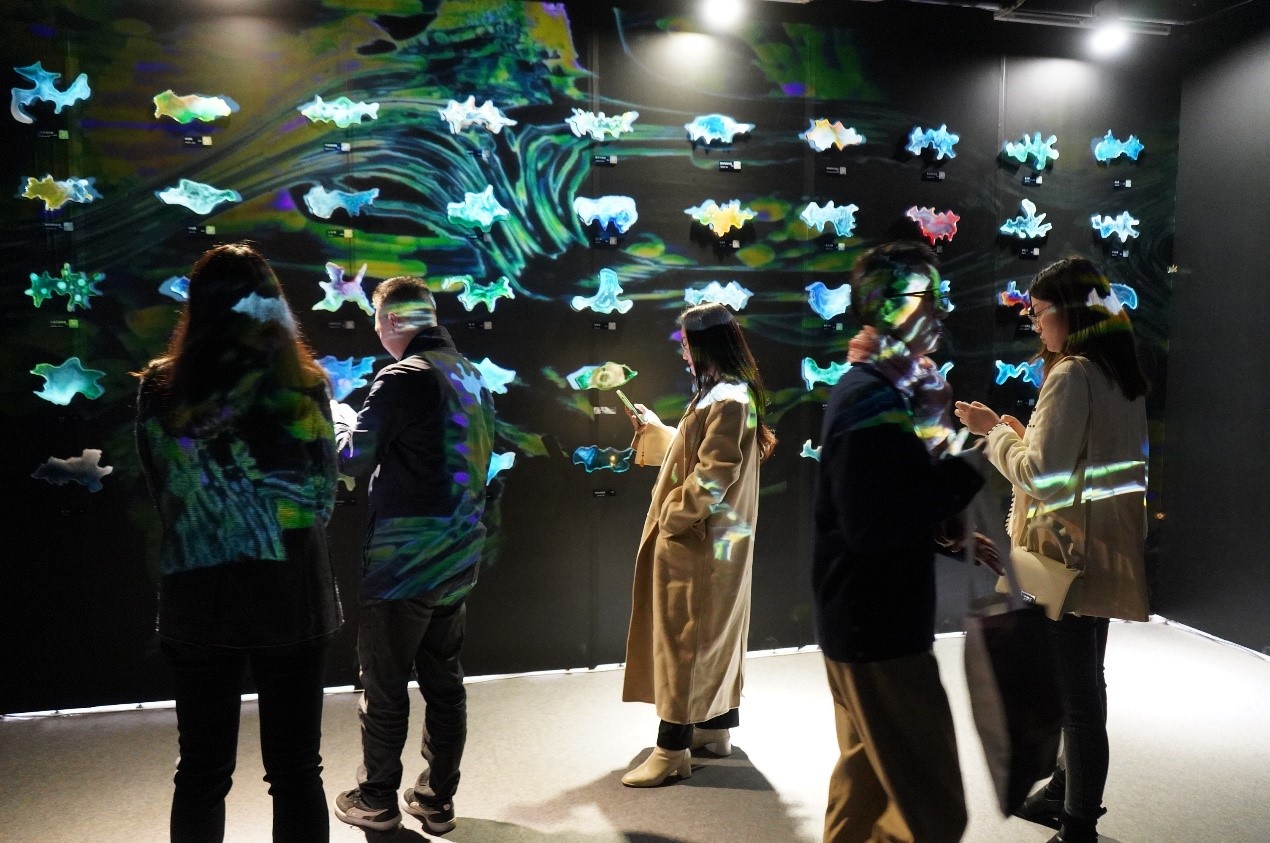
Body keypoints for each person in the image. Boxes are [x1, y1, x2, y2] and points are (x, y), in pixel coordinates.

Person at [134, 243, 341, 842]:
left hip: (199, 599)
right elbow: (321, 498)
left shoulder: (162, 386)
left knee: (201, 770)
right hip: (292, 599)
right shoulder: (304, 386)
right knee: (296, 770)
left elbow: (164, 492)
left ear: (197, 305)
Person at [954, 257, 1149, 843]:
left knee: (1077, 693)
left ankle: (1078, 822)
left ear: (1071, 313)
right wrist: (1023, 435)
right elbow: (1081, 462)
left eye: (1040, 313)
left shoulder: (1071, 374)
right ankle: (1066, 794)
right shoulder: (1121, 375)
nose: (1035, 325)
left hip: (1066, 557)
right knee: (1086, 682)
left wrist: (994, 432)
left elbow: (1044, 476)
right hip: (1102, 550)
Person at [812, 241, 995, 843]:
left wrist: (942, 522)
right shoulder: (872, 395)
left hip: (863, 620)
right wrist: (967, 470)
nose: (942, 310)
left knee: (864, 793)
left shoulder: (886, 390)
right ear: (890, 306)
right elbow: (873, 523)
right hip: (879, 628)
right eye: (929, 297)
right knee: (932, 810)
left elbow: (883, 501)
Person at [332, 276, 496, 835]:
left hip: (403, 566)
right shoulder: (471, 375)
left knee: (383, 685)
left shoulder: (402, 377)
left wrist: (338, 420)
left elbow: (352, 461)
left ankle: (376, 799)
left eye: (377, 321)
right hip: (458, 558)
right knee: (444, 683)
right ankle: (435, 799)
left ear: (388, 323)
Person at [619, 302, 777, 787]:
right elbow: (707, 454)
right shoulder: (728, 394)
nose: (684, 353)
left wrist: (672, 516)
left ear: (706, 345)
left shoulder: (727, 398)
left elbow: (714, 474)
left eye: (687, 344)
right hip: (713, 541)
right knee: (711, 636)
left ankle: (672, 750)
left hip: (700, 544)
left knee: (685, 641)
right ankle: (714, 727)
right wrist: (661, 431)